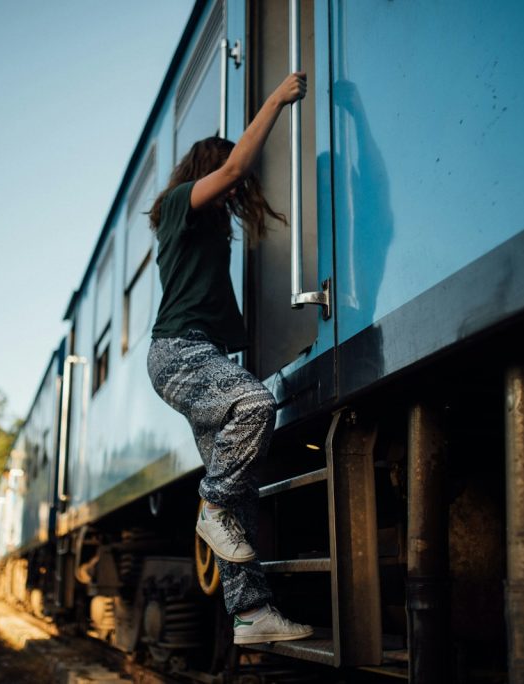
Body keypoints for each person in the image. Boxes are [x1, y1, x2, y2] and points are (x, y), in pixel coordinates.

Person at [146, 72, 313, 645]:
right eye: (221, 178)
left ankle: (250, 615)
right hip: (178, 353)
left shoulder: (208, 238)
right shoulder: (175, 207)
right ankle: (211, 507)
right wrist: (276, 99)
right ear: (205, 173)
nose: (236, 191)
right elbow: (237, 168)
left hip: (200, 354)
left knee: (238, 499)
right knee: (254, 406)